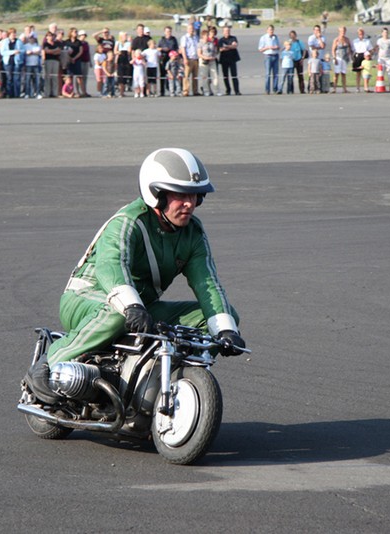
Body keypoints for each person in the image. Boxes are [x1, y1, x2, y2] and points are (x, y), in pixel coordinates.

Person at [24, 148, 245, 405]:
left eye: (195, 195)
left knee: (223, 317)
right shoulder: (129, 221)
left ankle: (165, 379)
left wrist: (226, 330)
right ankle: (50, 361)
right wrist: (130, 306)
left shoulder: (193, 232)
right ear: (156, 195)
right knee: (118, 314)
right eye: (180, 195)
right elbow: (112, 267)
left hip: (141, 308)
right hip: (87, 299)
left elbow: (207, 282)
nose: (190, 203)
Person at [218, 25, 241, 96]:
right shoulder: (221, 40)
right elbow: (220, 49)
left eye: (228, 31)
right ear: (223, 32)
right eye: (225, 31)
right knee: (225, 76)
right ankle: (228, 90)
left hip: (232, 59)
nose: (227, 32)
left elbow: (235, 46)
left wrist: (227, 46)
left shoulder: (233, 38)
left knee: (234, 75)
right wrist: (230, 47)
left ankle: (237, 91)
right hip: (224, 60)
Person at [157, 26, 179, 96]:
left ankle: (173, 90)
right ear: (164, 32)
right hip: (164, 58)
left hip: (172, 59)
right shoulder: (161, 40)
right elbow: (157, 48)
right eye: (167, 31)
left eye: (169, 31)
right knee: (163, 74)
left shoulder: (174, 39)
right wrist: (163, 49)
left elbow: (177, 48)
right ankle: (162, 91)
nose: (168, 33)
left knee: (173, 75)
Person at [258, 25, 280, 94]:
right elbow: (260, 49)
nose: (271, 31)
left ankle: (275, 89)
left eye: (272, 30)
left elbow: (279, 46)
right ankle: (267, 89)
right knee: (268, 74)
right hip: (268, 56)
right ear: (267, 30)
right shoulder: (263, 38)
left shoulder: (275, 37)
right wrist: (268, 47)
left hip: (275, 55)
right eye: (270, 30)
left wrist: (276, 47)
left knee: (276, 73)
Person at [180, 24, 200, 96]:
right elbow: (183, 48)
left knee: (195, 76)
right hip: (188, 59)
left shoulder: (196, 37)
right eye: (190, 29)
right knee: (186, 76)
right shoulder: (185, 38)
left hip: (195, 59)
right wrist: (185, 58)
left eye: (192, 29)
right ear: (187, 30)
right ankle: (185, 91)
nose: (191, 30)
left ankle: (195, 90)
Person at [331, 26, 352, 93]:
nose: (343, 32)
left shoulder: (347, 39)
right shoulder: (336, 40)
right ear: (339, 32)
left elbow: (350, 48)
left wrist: (351, 56)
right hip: (338, 58)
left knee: (343, 73)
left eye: (344, 31)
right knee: (336, 73)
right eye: (341, 31)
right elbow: (333, 50)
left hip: (345, 58)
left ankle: (344, 88)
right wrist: (334, 57)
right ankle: (334, 88)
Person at [198, 29, 218, 96]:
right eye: (206, 35)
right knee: (204, 77)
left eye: (208, 35)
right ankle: (206, 91)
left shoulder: (211, 43)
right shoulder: (200, 43)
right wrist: (205, 57)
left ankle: (217, 90)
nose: (207, 36)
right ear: (203, 36)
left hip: (212, 61)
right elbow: (199, 54)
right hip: (204, 61)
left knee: (215, 76)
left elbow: (215, 51)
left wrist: (214, 57)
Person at [352, 27, 372, 93]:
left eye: (362, 34)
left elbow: (370, 49)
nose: (361, 35)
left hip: (365, 55)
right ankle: (357, 87)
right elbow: (353, 50)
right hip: (358, 55)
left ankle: (366, 86)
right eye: (360, 34)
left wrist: (369, 56)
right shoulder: (355, 41)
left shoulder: (367, 41)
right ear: (358, 34)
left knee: (366, 72)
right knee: (358, 72)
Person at [115, 31, 132, 97]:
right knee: (120, 76)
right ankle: (120, 91)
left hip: (125, 59)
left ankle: (123, 91)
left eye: (126, 36)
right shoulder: (118, 42)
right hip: (120, 59)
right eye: (124, 36)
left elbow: (129, 51)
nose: (125, 37)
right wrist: (118, 52)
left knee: (125, 76)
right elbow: (115, 51)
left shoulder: (128, 43)